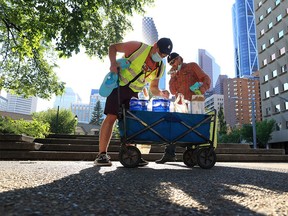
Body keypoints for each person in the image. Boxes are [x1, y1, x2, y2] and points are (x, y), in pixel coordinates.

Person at [95, 38, 173, 166]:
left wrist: (161, 93)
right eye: (160, 53)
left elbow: (153, 88)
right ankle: (102, 155)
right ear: (155, 46)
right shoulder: (138, 47)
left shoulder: (160, 67)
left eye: (164, 55)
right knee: (112, 116)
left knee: (131, 123)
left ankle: (130, 153)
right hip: (120, 85)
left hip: (134, 94)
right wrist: (113, 64)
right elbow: (113, 47)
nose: (161, 56)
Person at [155, 52, 211, 164]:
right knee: (174, 127)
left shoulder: (192, 66)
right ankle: (169, 154)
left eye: (174, 61)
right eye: (171, 63)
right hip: (181, 106)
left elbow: (206, 78)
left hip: (195, 103)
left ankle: (192, 153)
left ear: (179, 58)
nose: (173, 65)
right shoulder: (174, 74)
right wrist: (173, 78)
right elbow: (173, 91)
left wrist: (202, 89)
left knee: (193, 128)